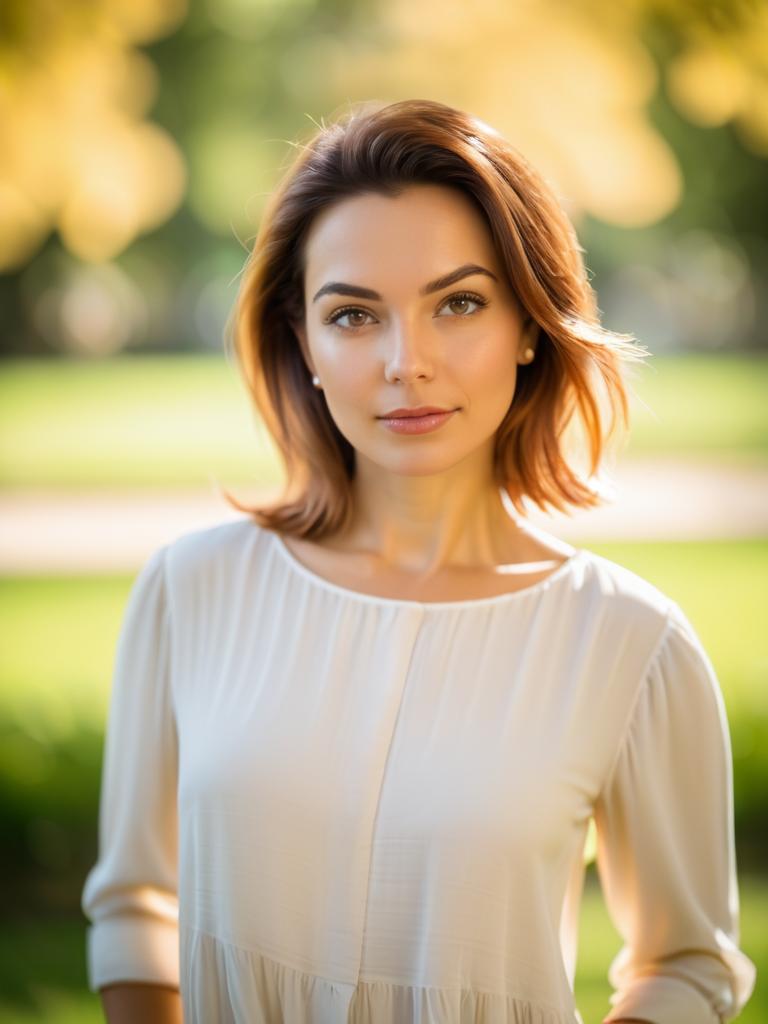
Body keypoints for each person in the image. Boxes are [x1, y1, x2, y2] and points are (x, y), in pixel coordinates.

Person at [81, 98, 757, 1024]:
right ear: (304, 343)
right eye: (355, 315)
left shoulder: (630, 645)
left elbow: (687, 966)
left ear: (529, 324)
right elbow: (134, 910)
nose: (408, 362)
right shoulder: (190, 589)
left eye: (460, 303)